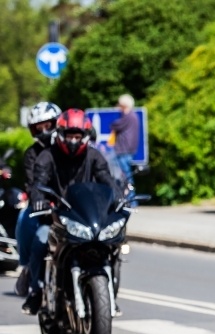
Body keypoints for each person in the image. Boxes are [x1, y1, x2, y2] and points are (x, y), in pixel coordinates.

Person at [22, 109, 121, 314]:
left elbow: (106, 178)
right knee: (41, 240)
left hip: (86, 216)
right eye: (69, 136)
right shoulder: (46, 156)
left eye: (77, 136)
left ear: (85, 136)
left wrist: (118, 197)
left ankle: (110, 294)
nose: (73, 141)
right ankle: (36, 290)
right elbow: (37, 184)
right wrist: (39, 201)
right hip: (55, 217)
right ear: (60, 134)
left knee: (113, 244)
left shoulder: (94, 156)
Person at [14, 102, 62, 297]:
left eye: (48, 125)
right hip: (43, 205)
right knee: (24, 220)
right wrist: (39, 200)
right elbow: (32, 183)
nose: (44, 130)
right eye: (38, 127)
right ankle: (26, 268)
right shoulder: (32, 154)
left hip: (70, 205)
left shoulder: (66, 148)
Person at [110, 94, 140, 200]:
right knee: (126, 175)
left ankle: (130, 198)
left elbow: (115, 125)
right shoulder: (134, 116)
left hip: (123, 150)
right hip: (127, 150)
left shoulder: (128, 116)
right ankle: (129, 197)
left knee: (125, 176)